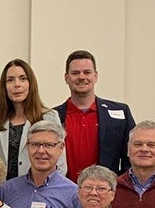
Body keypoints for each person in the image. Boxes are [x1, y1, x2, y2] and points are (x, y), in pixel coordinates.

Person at [0, 59, 65, 182]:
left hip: (39, 192)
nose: (17, 84)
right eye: (10, 80)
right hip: (1, 193)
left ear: (31, 83)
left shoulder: (49, 117)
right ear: (4, 87)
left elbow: (60, 164)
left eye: (23, 78)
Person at [55, 50, 135, 180]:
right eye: (75, 73)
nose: (81, 77)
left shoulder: (121, 113)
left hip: (105, 194)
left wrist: (118, 186)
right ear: (66, 78)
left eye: (87, 72)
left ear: (96, 76)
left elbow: (132, 156)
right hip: (63, 195)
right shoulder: (52, 117)